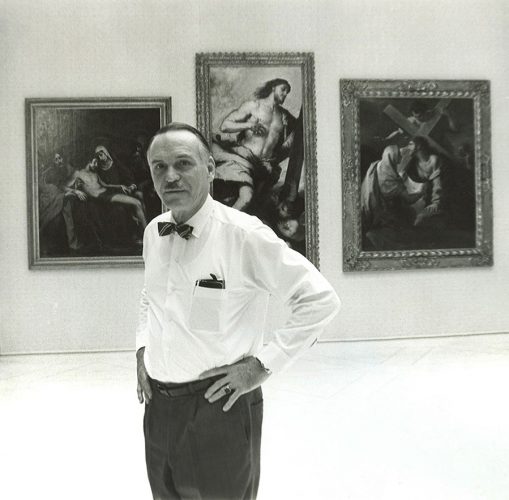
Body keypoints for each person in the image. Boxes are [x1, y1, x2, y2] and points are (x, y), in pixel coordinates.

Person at [136, 122, 340, 500]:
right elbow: (151, 296)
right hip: (158, 410)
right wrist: (142, 350)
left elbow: (320, 300)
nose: (170, 175)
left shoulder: (245, 235)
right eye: (159, 166)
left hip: (218, 408)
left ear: (211, 168)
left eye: (183, 163)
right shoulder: (154, 231)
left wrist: (261, 366)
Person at [212, 78, 296, 212]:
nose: (285, 94)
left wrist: (272, 161)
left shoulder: (284, 116)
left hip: (262, 167)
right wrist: (249, 125)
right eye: (283, 89)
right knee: (246, 198)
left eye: (287, 92)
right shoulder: (253, 106)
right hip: (242, 160)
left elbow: (296, 136)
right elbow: (225, 126)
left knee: (252, 207)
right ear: (273, 87)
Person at [67, 157, 147, 242]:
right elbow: (63, 186)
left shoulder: (95, 174)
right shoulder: (78, 174)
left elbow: (106, 185)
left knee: (138, 199)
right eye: (95, 162)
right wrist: (75, 191)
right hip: (102, 197)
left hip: (107, 193)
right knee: (136, 203)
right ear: (89, 161)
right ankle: (148, 236)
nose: (96, 165)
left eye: (97, 163)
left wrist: (120, 186)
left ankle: (142, 233)